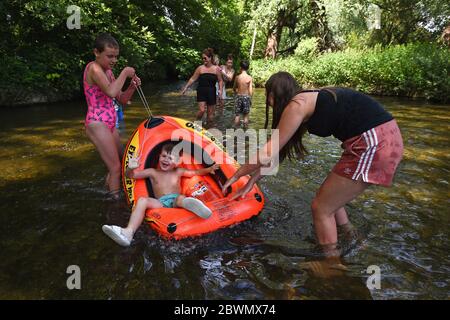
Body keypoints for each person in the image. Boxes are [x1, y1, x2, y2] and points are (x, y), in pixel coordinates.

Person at [222, 71, 404, 257]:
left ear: (273, 94)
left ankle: (331, 264)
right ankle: (351, 236)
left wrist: (237, 174)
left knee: (321, 208)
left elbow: (268, 152)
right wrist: (252, 180)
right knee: (330, 197)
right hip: (382, 138)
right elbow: (278, 153)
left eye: (268, 97)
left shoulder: (296, 105)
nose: (268, 103)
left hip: (375, 143)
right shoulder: (307, 101)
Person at [102, 143, 220, 246]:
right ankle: (128, 232)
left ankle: (195, 207)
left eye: (170, 158)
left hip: (175, 201)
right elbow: (131, 176)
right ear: (159, 157)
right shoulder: (153, 172)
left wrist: (209, 169)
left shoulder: (178, 172)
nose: (166, 160)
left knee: (181, 199)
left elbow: (196, 172)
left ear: (178, 162)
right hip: (161, 203)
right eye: (164, 156)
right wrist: (130, 168)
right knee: (143, 200)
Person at [83, 33, 141, 199]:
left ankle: (110, 191)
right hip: (97, 123)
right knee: (115, 168)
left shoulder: (108, 72)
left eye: (116, 56)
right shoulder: (93, 68)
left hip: (110, 123)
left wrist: (131, 86)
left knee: (121, 161)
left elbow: (121, 98)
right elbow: (110, 91)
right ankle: (115, 205)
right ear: (96, 52)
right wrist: (124, 73)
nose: (114, 60)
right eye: (110, 56)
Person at [181, 48, 223, 127]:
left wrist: (220, 91)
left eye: (205, 58)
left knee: (210, 116)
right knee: (202, 110)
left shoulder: (216, 69)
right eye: (202, 58)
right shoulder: (200, 68)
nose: (203, 60)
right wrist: (185, 87)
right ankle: (194, 125)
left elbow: (220, 80)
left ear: (210, 58)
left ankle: (208, 130)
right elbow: (193, 78)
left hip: (211, 91)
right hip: (201, 91)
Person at [232, 60, 253, 129]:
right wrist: (250, 99)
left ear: (240, 67)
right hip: (246, 97)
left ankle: (235, 130)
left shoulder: (237, 77)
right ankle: (245, 130)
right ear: (248, 68)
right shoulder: (249, 78)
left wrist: (236, 93)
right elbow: (250, 91)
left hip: (238, 97)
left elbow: (234, 88)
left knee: (237, 115)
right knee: (246, 115)